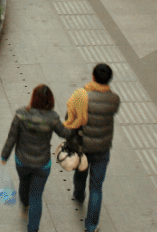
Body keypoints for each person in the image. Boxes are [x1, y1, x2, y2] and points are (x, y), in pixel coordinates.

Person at [0, 84, 70, 232]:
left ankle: (24, 204)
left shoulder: (21, 114)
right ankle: (33, 229)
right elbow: (65, 133)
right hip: (42, 163)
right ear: (50, 100)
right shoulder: (53, 118)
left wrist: (4, 155)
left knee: (24, 183)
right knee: (36, 196)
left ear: (33, 98)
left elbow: (12, 137)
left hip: (22, 161)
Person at [65, 63, 119, 232]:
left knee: (81, 173)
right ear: (109, 79)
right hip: (102, 148)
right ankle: (91, 225)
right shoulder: (114, 99)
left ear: (93, 77)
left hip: (83, 147)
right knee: (96, 187)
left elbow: (69, 118)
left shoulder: (82, 96)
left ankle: (79, 196)